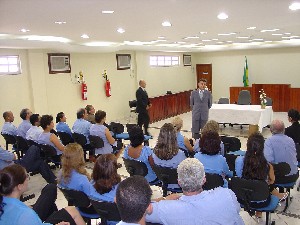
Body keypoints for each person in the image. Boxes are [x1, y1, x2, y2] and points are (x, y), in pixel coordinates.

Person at [145, 158, 244, 225]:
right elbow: (237, 210)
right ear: (204, 180)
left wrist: (164, 198)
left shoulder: (166, 208)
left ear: (179, 182)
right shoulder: (226, 195)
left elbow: (138, 210)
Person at [0, 164, 86, 225]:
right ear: (19, 186)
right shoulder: (26, 214)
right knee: (72, 210)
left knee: (50, 192)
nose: (28, 178)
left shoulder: (5, 203)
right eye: (26, 176)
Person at [235, 133, 288, 205]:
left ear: (247, 145)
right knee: (264, 184)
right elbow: (272, 182)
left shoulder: (239, 160)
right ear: (263, 147)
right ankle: (260, 211)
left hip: (243, 198)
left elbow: (239, 176)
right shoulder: (267, 165)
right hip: (262, 201)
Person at [152, 123, 186, 188]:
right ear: (174, 137)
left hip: (163, 181)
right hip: (178, 184)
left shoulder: (154, 153)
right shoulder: (180, 154)